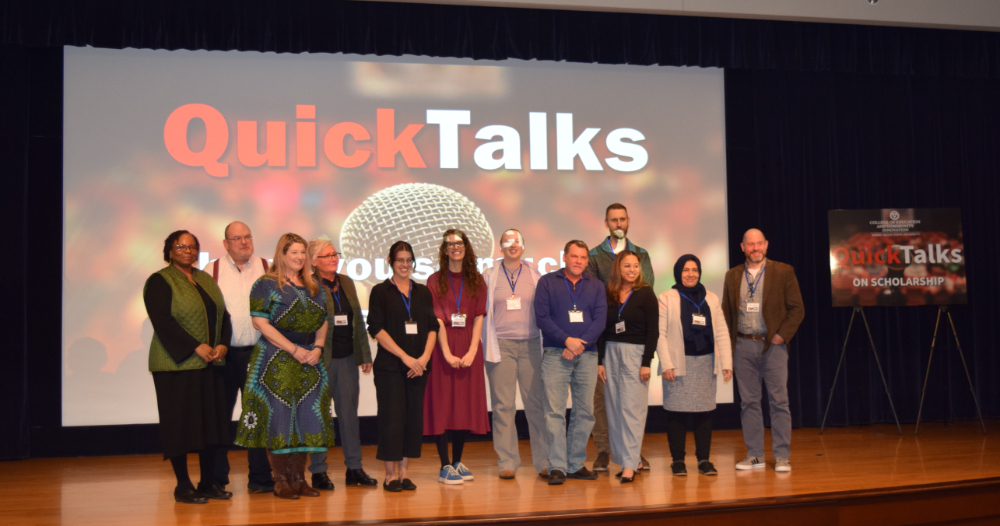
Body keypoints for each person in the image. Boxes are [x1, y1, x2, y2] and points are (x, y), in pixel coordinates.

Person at [234, 233, 336, 499]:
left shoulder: (314, 286)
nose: (300, 257)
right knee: (278, 419)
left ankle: (299, 479)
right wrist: (293, 349)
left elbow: (323, 321)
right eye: (294, 253)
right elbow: (260, 323)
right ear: (282, 254)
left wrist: (318, 348)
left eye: (303, 253)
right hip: (275, 359)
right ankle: (280, 480)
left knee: (305, 418)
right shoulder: (265, 284)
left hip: (309, 361)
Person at [143, 230, 233, 504]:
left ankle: (207, 483)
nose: (188, 251)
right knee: (179, 426)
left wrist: (223, 344)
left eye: (192, 247)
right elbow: (163, 321)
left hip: (209, 364)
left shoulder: (205, 279)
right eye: (181, 247)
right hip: (175, 366)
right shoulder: (159, 280)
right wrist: (196, 346)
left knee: (210, 427)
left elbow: (223, 316)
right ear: (170, 251)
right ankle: (182, 486)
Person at [721, 229, 804, 473]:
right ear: (742, 247)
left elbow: (797, 309)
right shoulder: (732, 275)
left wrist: (781, 336)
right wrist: (726, 348)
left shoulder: (783, 271)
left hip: (773, 347)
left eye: (759, 244)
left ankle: (782, 457)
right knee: (749, 403)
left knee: (779, 402)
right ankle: (755, 455)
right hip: (742, 346)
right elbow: (726, 313)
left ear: (766, 245)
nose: (755, 248)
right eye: (750, 244)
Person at [306, 237, 378, 490]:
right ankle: (318, 471)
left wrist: (364, 355)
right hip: (320, 361)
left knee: (349, 416)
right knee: (318, 416)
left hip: (347, 358)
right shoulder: (308, 285)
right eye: (326, 256)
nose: (333, 259)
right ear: (313, 261)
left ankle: (354, 468)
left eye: (334, 254)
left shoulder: (346, 282)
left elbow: (357, 320)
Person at [586, 203, 654, 472]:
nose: (618, 224)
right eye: (613, 220)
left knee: (632, 402)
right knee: (604, 400)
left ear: (628, 221)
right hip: (606, 337)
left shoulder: (641, 253)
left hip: (633, 341)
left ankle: (632, 452)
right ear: (606, 223)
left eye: (622, 219)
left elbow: (645, 288)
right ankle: (604, 450)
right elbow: (594, 293)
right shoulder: (594, 255)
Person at [367, 241, 439, 492]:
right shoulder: (380, 291)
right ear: (390, 261)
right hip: (390, 368)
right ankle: (390, 475)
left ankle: (405, 473)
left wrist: (424, 359)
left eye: (409, 260)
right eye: (400, 260)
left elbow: (433, 326)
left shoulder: (422, 292)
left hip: (418, 368)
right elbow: (376, 328)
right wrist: (406, 357)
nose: (405, 264)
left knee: (411, 420)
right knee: (392, 420)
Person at [534, 240, 608, 485]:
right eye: (574, 256)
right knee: (554, 412)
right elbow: (542, 318)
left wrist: (579, 345)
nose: (579, 261)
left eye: (583, 257)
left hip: (587, 355)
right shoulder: (547, 282)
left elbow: (600, 320)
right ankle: (557, 465)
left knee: (585, 412)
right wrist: (566, 341)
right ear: (564, 257)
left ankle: (575, 464)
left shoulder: (596, 285)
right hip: (556, 354)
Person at [211, 221, 274, 494]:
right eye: (237, 238)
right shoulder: (211, 271)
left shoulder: (268, 269)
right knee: (220, 418)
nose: (244, 242)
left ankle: (260, 478)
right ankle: (216, 479)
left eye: (247, 236)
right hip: (223, 356)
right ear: (226, 244)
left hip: (258, 354)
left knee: (257, 417)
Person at [424, 229, 490, 485]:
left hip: (469, 345)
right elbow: (438, 320)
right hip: (443, 346)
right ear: (444, 249)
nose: (455, 247)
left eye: (459, 243)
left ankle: (457, 462)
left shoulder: (477, 280)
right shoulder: (434, 280)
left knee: (463, 404)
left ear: (466, 247)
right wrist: (447, 353)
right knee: (442, 404)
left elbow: (479, 316)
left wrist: (473, 351)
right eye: (449, 244)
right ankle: (444, 465)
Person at [482, 229, 549, 480]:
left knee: (536, 405)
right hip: (500, 346)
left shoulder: (535, 274)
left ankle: (543, 460)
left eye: (517, 241)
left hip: (531, 345)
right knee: (503, 406)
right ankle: (507, 461)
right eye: (507, 241)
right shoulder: (489, 275)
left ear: (523, 246)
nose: (512, 244)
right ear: (500, 247)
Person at [658, 255, 733, 477]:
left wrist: (727, 362)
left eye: (695, 270)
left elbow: (722, 331)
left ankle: (703, 460)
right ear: (678, 272)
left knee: (704, 412)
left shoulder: (711, 297)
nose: (691, 274)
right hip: (678, 364)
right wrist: (666, 364)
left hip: (705, 363)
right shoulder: (666, 297)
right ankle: (678, 461)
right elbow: (660, 334)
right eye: (686, 270)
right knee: (676, 413)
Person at [596, 250, 658, 483]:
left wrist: (646, 362)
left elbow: (653, 331)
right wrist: (600, 361)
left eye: (635, 266)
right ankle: (628, 460)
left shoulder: (646, 293)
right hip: (610, 353)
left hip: (635, 354)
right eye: (627, 266)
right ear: (617, 269)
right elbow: (601, 330)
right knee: (614, 409)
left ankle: (631, 463)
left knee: (633, 410)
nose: (632, 270)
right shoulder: (608, 293)